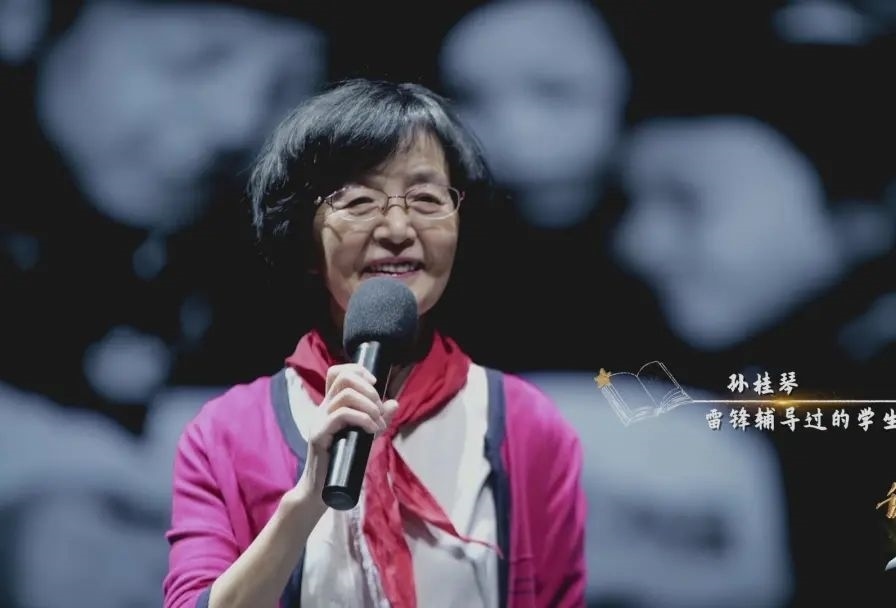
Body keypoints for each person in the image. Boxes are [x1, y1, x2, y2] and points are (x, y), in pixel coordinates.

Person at [163, 79, 587, 608]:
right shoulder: (226, 435)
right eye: (359, 201)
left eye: (427, 199)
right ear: (306, 238)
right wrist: (306, 501)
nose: (397, 228)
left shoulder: (527, 428)